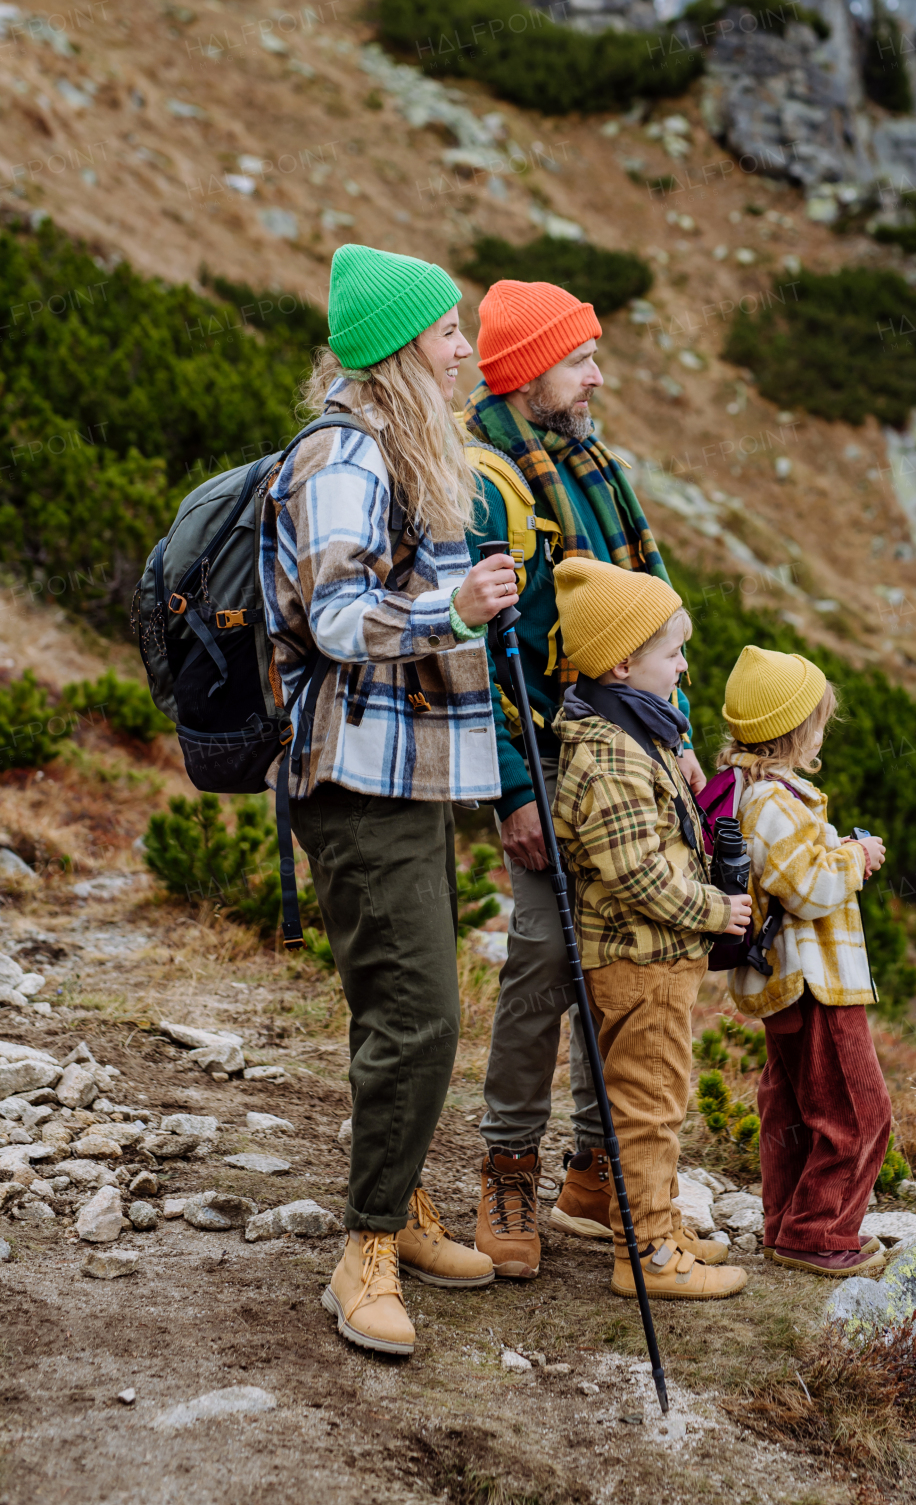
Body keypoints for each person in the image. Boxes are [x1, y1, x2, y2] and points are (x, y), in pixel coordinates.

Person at [260, 243, 520, 1356]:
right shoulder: (343, 459)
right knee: (421, 1014)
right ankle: (363, 1250)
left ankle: (402, 1205)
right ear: (399, 347)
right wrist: (451, 610)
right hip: (357, 775)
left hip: (408, 775)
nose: (464, 349)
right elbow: (332, 619)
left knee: (393, 1004)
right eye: (448, 331)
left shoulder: (406, 451)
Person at [459, 278, 707, 1279]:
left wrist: (675, 732)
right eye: (578, 360)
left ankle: (595, 1175)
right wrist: (515, 789)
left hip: (629, 752)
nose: (596, 375)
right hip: (549, 754)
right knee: (542, 961)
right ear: (527, 375)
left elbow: (645, 619)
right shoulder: (488, 480)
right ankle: (508, 1170)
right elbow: (480, 650)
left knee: (628, 958)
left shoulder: (591, 465)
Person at [550, 556, 751, 1301]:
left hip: (652, 958)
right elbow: (635, 873)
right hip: (641, 960)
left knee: (645, 1096)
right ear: (625, 662)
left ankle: (640, 1216)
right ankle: (649, 1255)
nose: (685, 666)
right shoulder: (609, 757)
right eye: (674, 653)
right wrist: (714, 910)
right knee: (651, 1104)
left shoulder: (639, 733)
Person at [718, 644, 891, 1278]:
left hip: (787, 980)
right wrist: (857, 857)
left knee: (791, 1107)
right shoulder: (775, 802)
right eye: (817, 720)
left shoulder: (751, 795)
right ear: (794, 732)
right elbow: (809, 887)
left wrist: (834, 850)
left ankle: (784, 1223)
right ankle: (819, 1234)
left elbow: (788, 871)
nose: (823, 730)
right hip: (817, 981)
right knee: (858, 1111)